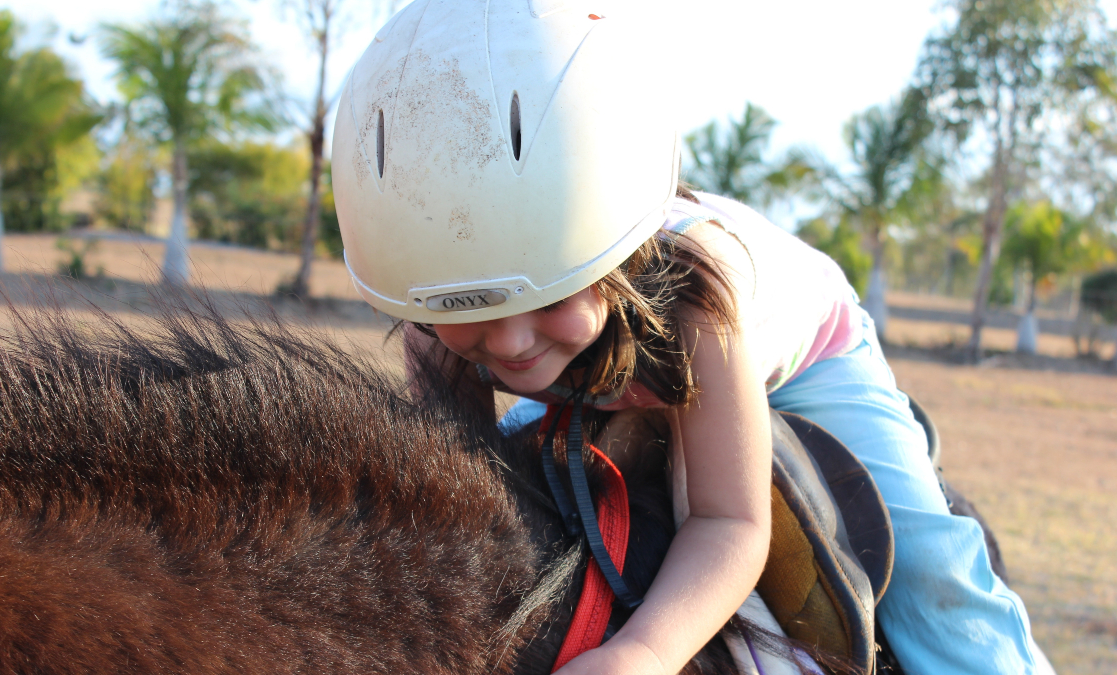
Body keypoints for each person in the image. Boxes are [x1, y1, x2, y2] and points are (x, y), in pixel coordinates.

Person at [329, 1, 1042, 673]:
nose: (512, 344)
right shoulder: (431, 321)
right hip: (601, 375)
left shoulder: (702, 300)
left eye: (550, 295)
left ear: (620, 260)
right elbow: (455, 494)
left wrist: (644, 651)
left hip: (802, 354)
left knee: (933, 568)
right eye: (471, 312)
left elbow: (728, 522)